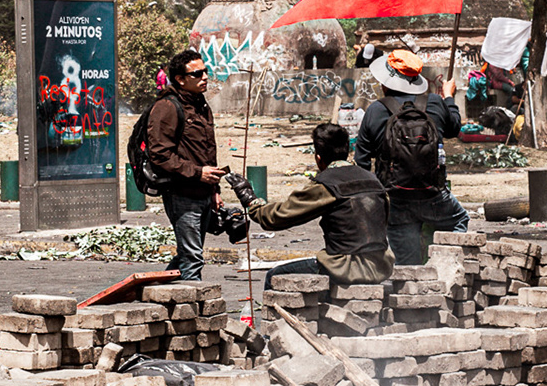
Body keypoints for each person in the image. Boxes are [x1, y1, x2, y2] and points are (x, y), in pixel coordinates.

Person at [227, 122, 393, 286]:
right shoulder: (373, 180)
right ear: (347, 152)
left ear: (318, 158)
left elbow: (276, 218)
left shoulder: (327, 184)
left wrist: (251, 201)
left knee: (274, 277)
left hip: (345, 268)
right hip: (382, 265)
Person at [355, 49, 468, 264]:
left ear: (385, 83)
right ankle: (447, 266)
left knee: (406, 262)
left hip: (395, 199)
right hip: (433, 195)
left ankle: (412, 278)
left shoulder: (375, 111)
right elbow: (454, 128)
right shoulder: (435, 102)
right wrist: (449, 96)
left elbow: (362, 163)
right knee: (459, 219)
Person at [144, 49, 227, 281]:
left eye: (205, 71)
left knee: (187, 256)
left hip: (203, 191)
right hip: (182, 193)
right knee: (192, 258)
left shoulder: (200, 104)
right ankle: (193, 300)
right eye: (197, 74)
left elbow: (207, 151)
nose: (205, 77)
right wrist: (197, 173)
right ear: (180, 79)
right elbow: (160, 154)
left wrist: (214, 189)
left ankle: (159, 291)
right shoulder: (167, 107)